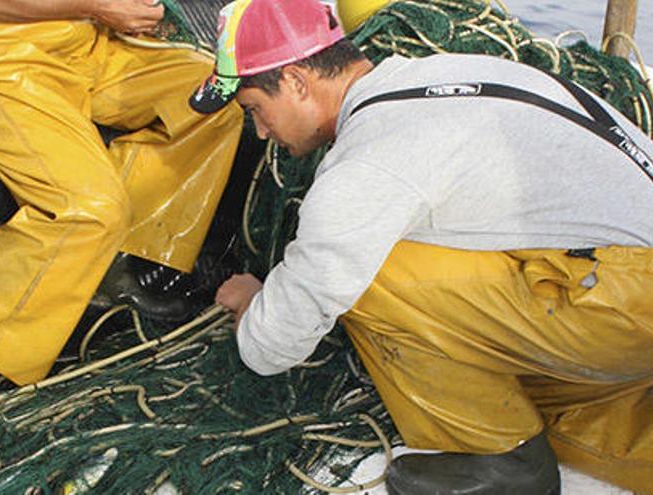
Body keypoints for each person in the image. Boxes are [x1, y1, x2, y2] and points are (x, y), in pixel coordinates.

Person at [194, 0, 653, 493]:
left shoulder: (368, 163)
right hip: (621, 276)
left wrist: (251, 304)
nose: (261, 132)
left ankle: (503, 461)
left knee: (371, 276)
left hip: (628, 298)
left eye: (255, 110)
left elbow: (273, 346)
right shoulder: (439, 74)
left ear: (296, 81)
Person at [0, 0, 244, 433]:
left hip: (87, 41)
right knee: (85, 208)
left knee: (212, 100)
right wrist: (100, 6)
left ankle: (113, 269)